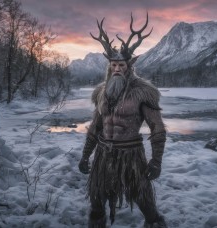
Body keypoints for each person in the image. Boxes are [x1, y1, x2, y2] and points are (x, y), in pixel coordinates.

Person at [78, 13, 167, 228]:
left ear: (130, 66)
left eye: (121, 66)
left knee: (142, 196)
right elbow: (95, 127)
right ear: (109, 66)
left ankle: (155, 223)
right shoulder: (101, 92)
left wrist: (156, 161)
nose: (117, 69)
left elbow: (157, 128)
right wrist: (85, 156)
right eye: (113, 65)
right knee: (97, 196)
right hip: (103, 153)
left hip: (131, 154)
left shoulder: (142, 92)